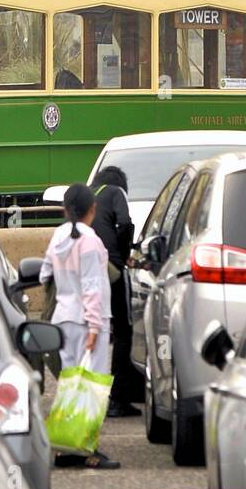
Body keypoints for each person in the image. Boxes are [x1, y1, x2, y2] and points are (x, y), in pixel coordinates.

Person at [40, 183, 119, 469]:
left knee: (69, 384)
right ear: (92, 210)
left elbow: (44, 273)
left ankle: (64, 449)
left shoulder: (58, 236)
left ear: (64, 209)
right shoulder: (91, 241)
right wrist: (96, 327)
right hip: (88, 322)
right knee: (92, 386)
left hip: (63, 318)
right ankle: (88, 450)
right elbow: (93, 287)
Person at [92, 165, 145, 416]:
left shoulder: (92, 196)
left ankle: (91, 397)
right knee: (124, 329)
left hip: (88, 271)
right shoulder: (116, 192)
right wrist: (124, 256)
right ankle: (118, 398)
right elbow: (125, 224)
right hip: (111, 267)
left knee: (96, 331)